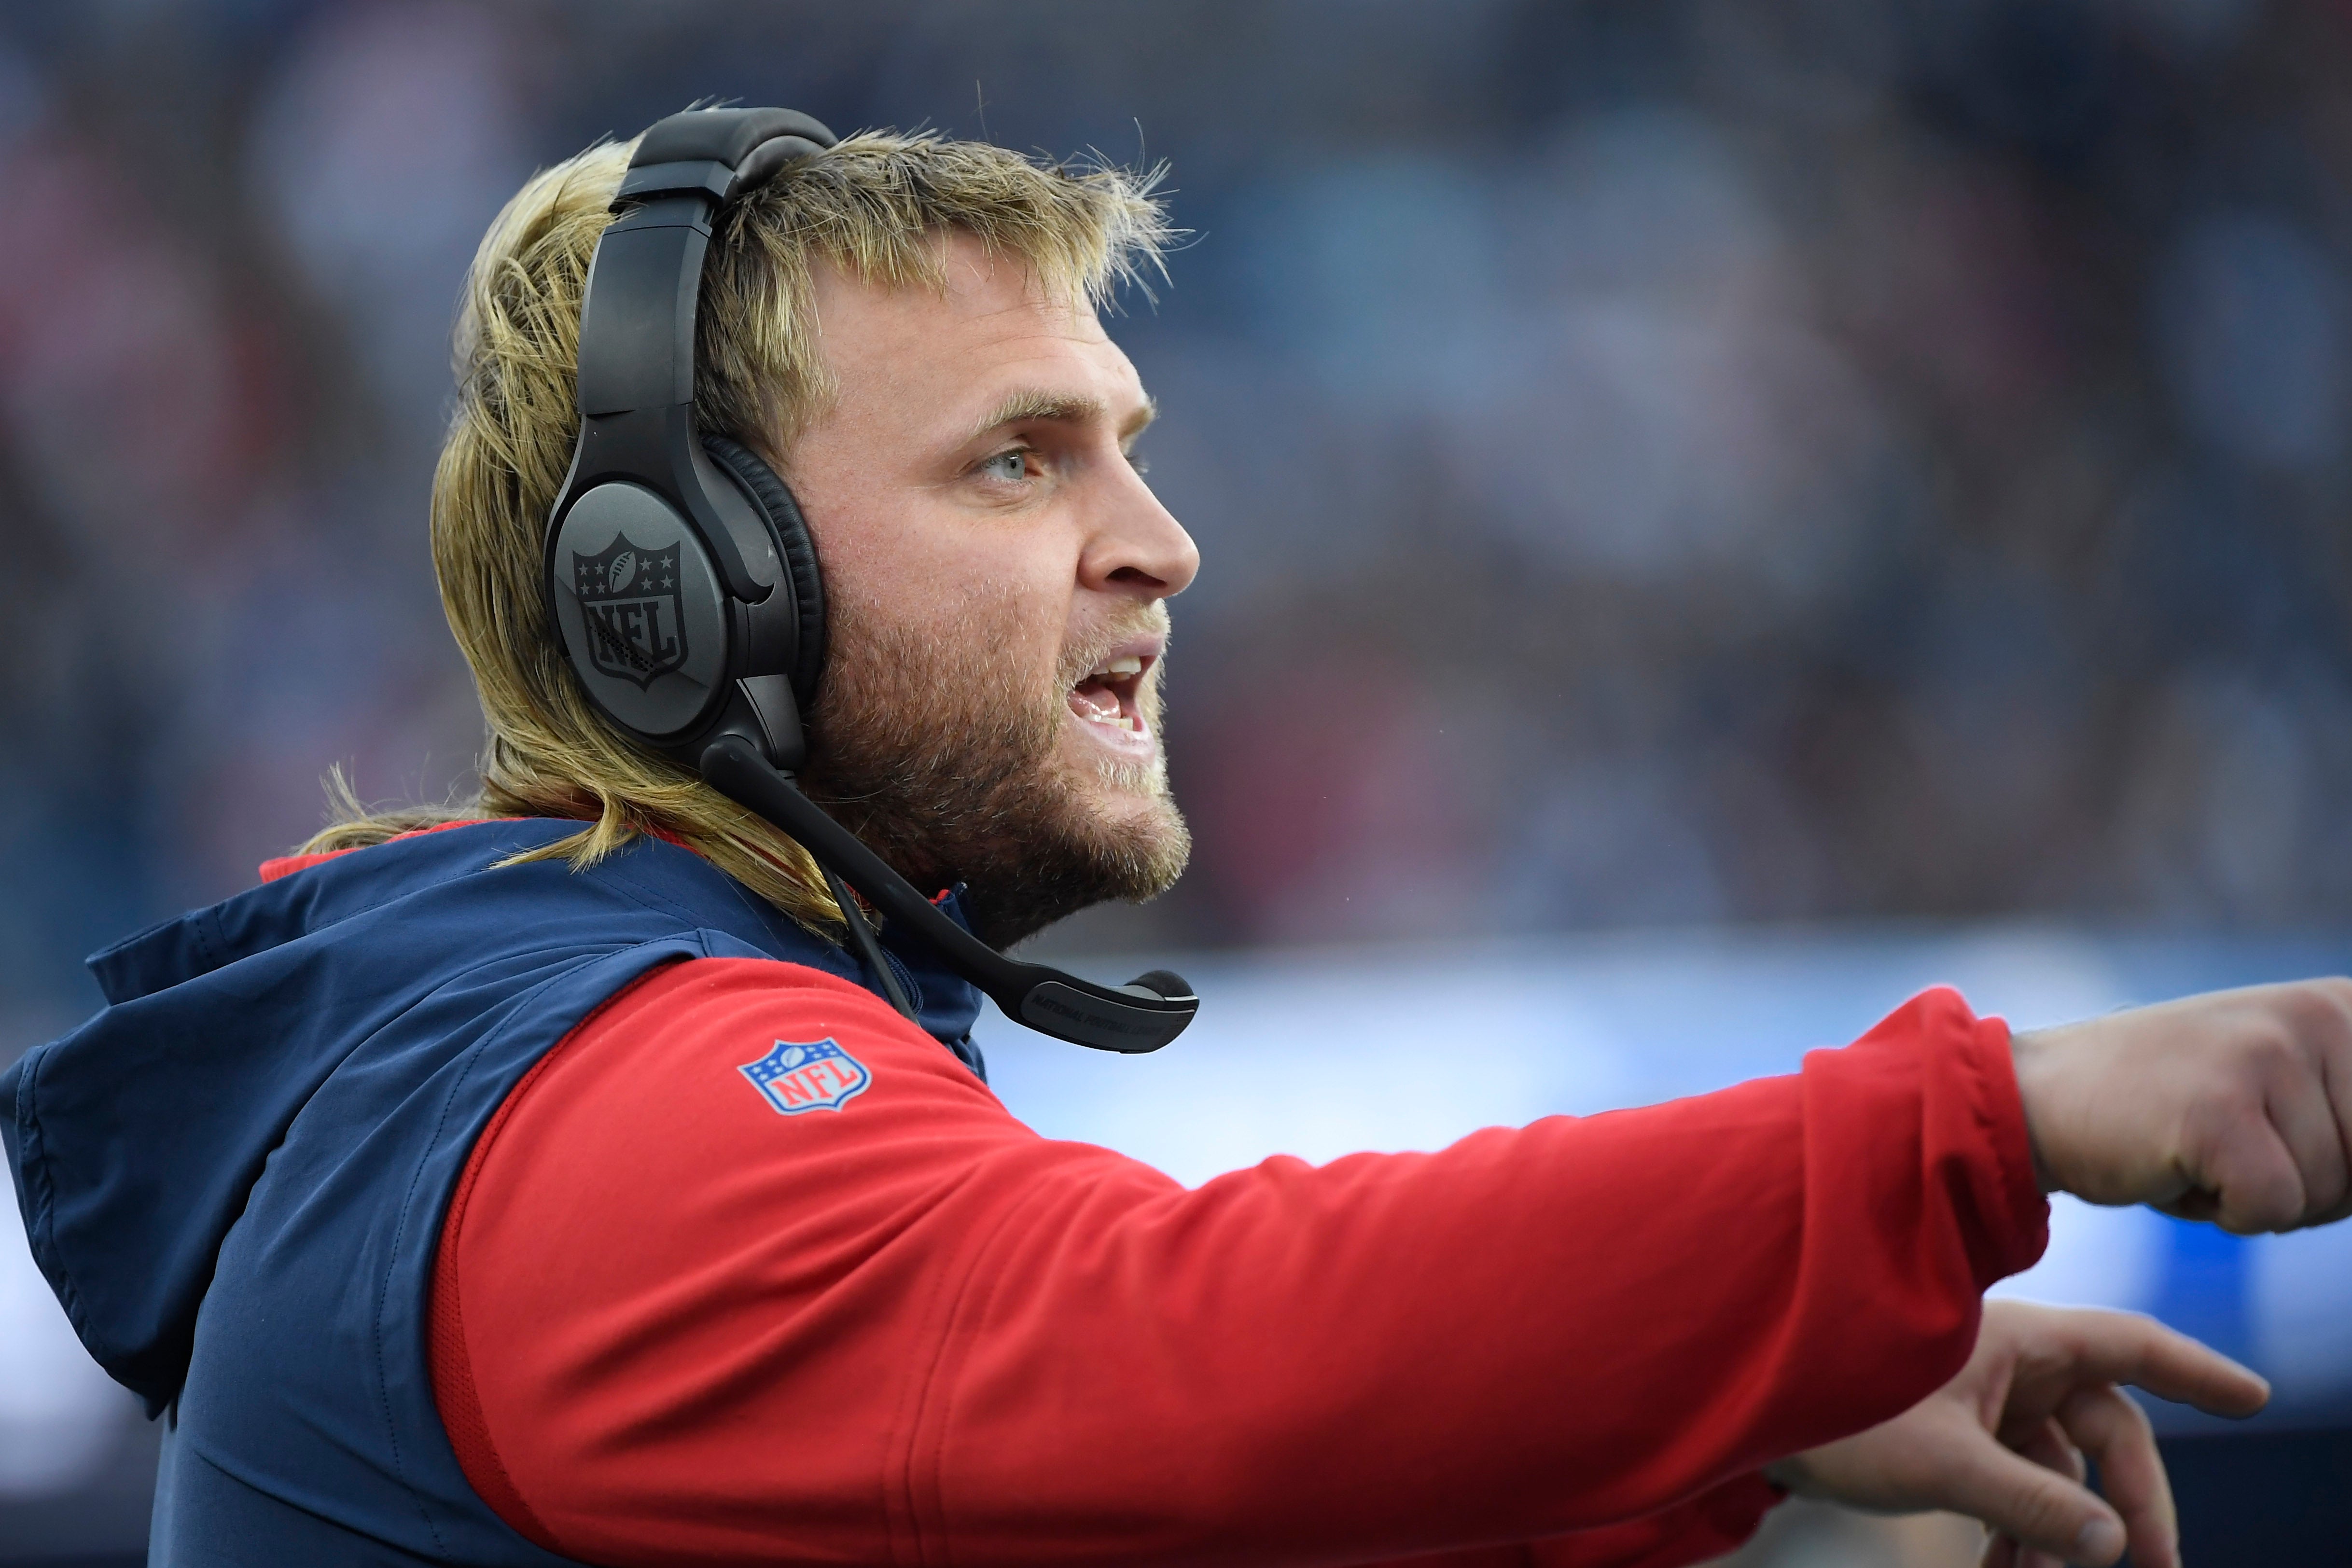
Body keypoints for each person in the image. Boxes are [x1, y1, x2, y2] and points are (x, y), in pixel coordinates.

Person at [6, 121, 2349, 1568]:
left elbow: (1143, 1504)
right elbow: (1178, 1335)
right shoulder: (601, 1108)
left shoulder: (573, 1052)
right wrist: (1982, 1119)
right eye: (1020, 460)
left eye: (1126, 442)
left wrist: (1734, 1421)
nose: (1166, 542)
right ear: (678, 589)